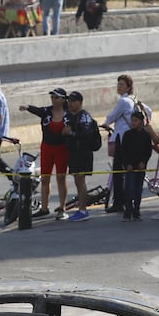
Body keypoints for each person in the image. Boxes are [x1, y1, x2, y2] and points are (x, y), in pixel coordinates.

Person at [22, 88, 71, 220]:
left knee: (61, 178)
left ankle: (62, 208)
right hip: (47, 148)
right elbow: (37, 110)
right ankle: (44, 208)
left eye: (56, 97)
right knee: (45, 178)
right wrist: (27, 107)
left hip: (62, 149)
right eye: (52, 97)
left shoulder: (68, 114)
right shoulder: (47, 111)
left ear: (63, 100)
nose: (53, 100)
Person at [100, 74, 139, 214]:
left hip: (122, 139)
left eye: (122, 84)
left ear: (128, 87)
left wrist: (105, 123)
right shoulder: (133, 99)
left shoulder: (123, 101)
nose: (119, 87)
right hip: (131, 139)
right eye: (118, 84)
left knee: (118, 172)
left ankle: (119, 202)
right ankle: (129, 199)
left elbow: (112, 116)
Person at [63, 90, 100, 221]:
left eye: (73, 101)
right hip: (74, 152)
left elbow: (86, 136)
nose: (70, 103)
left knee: (80, 180)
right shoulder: (71, 116)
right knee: (77, 181)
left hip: (82, 153)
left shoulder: (84, 117)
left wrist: (70, 133)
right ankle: (81, 209)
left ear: (80, 102)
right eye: (69, 101)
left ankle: (83, 210)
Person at [115, 111, 154, 221]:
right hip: (130, 167)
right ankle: (127, 212)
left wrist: (143, 162)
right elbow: (123, 151)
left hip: (140, 167)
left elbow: (148, 151)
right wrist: (127, 164)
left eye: (135, 120)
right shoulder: (127, 135)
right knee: (129, 189)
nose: (133, 123)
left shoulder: (145, 135)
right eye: (132, 120)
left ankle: (136, 211)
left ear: (141, 122)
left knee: (138, 190)